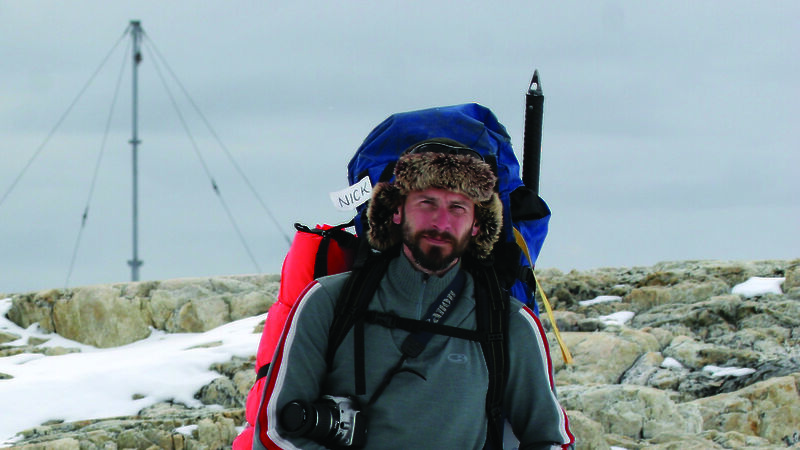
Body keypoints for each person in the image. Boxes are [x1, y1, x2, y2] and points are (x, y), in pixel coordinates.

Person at [254, 139, 574, 449]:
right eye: (427, 202)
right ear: (396, 211)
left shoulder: (509, 323)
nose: (441, 221)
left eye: (458, 207)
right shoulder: (327, 302)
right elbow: (275, 433)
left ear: (478, 224)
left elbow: (550, 438)